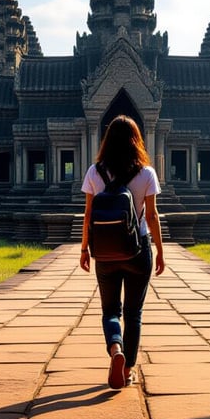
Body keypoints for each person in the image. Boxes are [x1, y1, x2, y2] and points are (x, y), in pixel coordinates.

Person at [80, 115, 165, 390]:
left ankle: (115, 349)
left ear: (107, 141)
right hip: (138, 249)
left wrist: (84, 248)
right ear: (136, 141)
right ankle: (127, 369)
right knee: (134, 312)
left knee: (110, 311)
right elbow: (151, 217)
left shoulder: (95, 171)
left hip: (105, 252)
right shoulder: (146, 173)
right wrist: (160, 251)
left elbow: (88, 215)